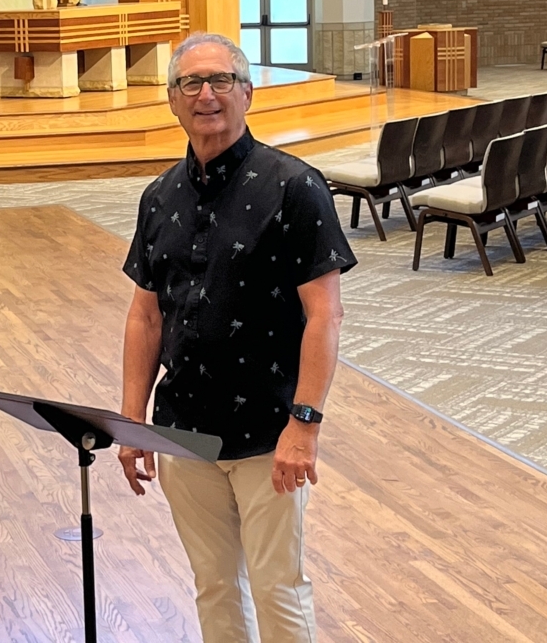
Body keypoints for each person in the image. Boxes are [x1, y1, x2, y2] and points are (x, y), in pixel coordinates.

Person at [118, 33, 355, 643]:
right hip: (183, 430)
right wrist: (132, 421)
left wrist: (305, 425)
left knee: (278, 587)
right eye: (191, 83)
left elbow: (325, 316)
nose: (207, 95)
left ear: (247, 93)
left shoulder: (294, 187)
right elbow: (146, 316)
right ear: (172, 100)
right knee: (215, 584)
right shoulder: (158, 197)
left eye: (221, 80)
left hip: (269, 432)